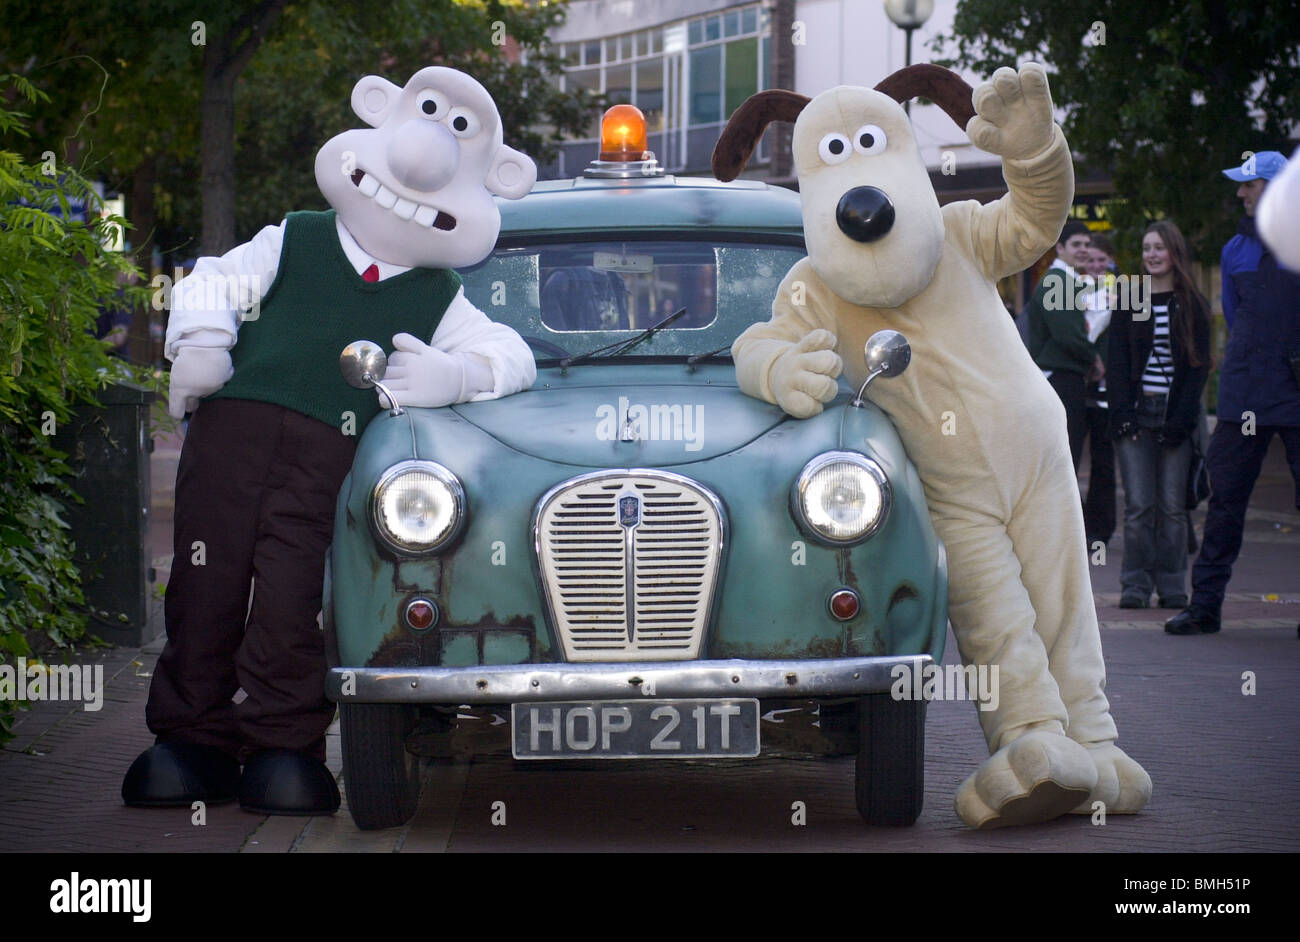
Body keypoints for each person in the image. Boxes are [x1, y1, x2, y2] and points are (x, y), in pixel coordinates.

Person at [1166, 151, 1300, 634]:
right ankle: (1205, 607)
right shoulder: (1234, 249)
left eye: (1250, 185)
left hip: (1296, 388)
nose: (1241, 193)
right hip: (1246, 390)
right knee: (1225, 501)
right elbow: (1238, 317)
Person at [1108, 220, 1211, 609]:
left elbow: (1198, 367)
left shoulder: (1193, 303)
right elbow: (1115, 360)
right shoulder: (1131, 297)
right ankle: (1134, 584)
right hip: (1135, 415)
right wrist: (1121, 415)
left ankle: (1171, 584)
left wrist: (1180, 422)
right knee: (1138, 506)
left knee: (1172, 507)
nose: (1151, 254)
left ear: (1174, 253)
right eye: (1146, 247)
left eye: (1159, 247)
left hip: (1176, 418)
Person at [1026, 218, 1097, 468]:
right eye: (1076, 244)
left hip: (1062, 379)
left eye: (1087, 244)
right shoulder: (1057, 282)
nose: (1084, 250)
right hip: (1061, 380)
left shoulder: (1067, 282)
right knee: (1063, 461)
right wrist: (1095, 358)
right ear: (1060, 248)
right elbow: (1069, 337)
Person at [1081, 232, 1117, 546]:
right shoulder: (1071, 291)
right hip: (1079, 386)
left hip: (1107, 388)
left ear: (1110, 262)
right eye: (1090, 260)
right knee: (1075, 458)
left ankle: (1100, 528)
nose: (1094, 265)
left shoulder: (1120, 293)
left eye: (1100, 261)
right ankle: (1077, 525)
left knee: (1104, 461)